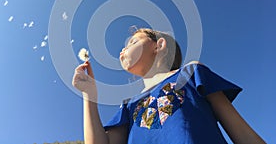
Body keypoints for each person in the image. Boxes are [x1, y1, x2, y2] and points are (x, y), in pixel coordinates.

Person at [72, 28, 266, 144]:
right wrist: (90, 95)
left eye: (132, 41)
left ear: (159, 45)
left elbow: (242, 133)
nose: (123, 49)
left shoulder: (192, 73)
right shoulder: (129, 105)